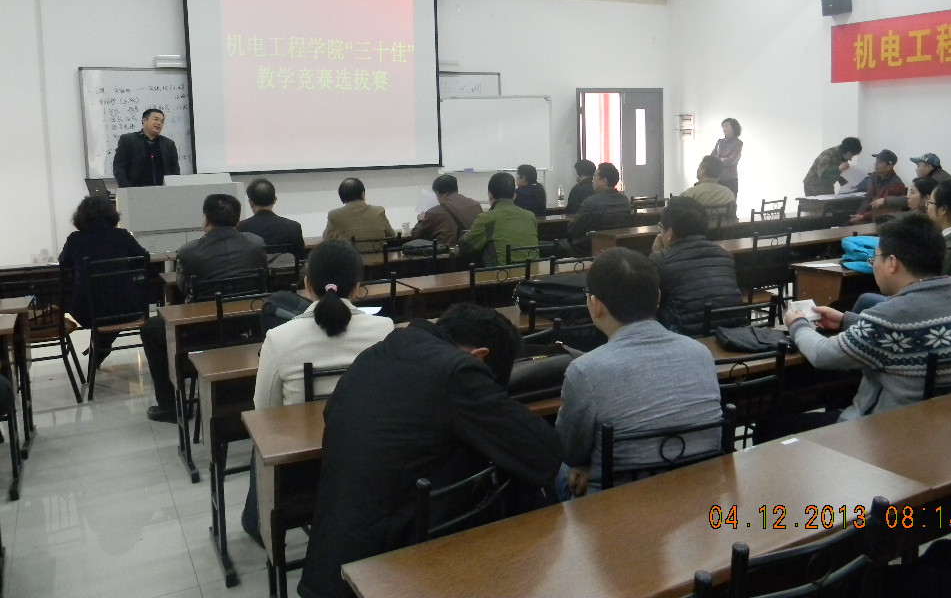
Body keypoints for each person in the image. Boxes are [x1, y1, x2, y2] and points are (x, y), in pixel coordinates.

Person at [297, 304, 562, 598]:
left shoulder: (375, 355)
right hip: (393, 568)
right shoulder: (458, 371)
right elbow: (545, 455)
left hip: (329, 560)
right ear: (480, 356)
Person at [773, 214, 951, 435]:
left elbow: (823, 355)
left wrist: (799, 324)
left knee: (771, 428)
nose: (874, 266)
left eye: (874, 259)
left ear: (892, 263)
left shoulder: (892, 314)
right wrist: (847, 321)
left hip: (891, 434)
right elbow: (913, 333)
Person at [242, 240, 394, 543]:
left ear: (307, 285)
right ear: (358, 287)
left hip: (304, 470)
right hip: (370, 457)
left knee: (260, 449)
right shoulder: (384, 328)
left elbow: (265, 412)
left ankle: (257, 524)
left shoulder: (279, 338)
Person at [555, 247, 722, 497]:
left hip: (616, 505)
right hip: (701, 493)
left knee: (547, 466)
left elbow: (568, 451)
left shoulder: (585, 371)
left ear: (595, 305)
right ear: (657, 297)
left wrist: (585, 467)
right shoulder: (700, 353)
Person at [140, 193, 267, 423]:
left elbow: (182, 288)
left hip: (205, 328)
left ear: (206, 219)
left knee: (151, 329)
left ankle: (169, 407)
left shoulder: (189, 252)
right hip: (248, 323)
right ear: (238, 219)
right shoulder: (256, 244)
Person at [58, 195, 149, 364]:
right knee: (114, 306)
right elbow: (143, 258)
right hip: (126, 307)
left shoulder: (75, 239)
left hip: (87, 311)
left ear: (81, 216)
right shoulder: (122, 236)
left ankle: (100, 347)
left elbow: (63, 263)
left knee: (100, 305)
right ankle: (101, 346)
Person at [649, 197, 742, 336]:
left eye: (661, 226)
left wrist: (657, 254)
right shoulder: (725, 256)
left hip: (687, 337)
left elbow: (649, 304)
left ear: (670, 232)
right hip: (731, 333)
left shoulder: (659, 260)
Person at [457, 172, 539, 266]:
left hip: (501, 273)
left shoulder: (487, 218)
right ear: (514, 195)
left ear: (490, 195)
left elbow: (465, 246)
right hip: (533, 272)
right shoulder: (530, 216)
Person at [563, 162, 632, 257]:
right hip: (616, 246)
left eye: (595, 177)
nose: (592, 180)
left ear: (604, 181)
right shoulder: (624, 200)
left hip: (588, 248)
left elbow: (573, 228)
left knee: (558, 245)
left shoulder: (591, 202)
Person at [237, 177, 305, 259]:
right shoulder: (294, 227)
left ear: (251, 202)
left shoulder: (241, 227)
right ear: (274, 200)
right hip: (286, 267)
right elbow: (301, 258)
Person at [112, 107, 180, 187]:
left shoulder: (168, 144)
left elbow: (175, 170)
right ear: (144, 120)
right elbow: (119, 167)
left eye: (162, 121)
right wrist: (127, 188)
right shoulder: (128, 140)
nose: (159, 123)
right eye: (156, 119)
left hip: (163, 191)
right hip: (135, 190)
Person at [323, 177, 396, 251]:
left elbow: (327, 240)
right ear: (363, 193)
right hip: (379, 257)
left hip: (351, 258)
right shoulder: (378, 211)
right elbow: (392, 235)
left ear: (341, 196)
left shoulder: (335, 216)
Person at [410, 173, 483, 247]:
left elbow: (416, 236)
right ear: (456, 189)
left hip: (449, 253)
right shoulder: (475, 205)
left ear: (437, 193)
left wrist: (420, 221)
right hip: (475, 252)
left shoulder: (434, 213)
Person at [850, 149, 907, 224]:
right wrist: (859, 213)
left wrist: (863, 216)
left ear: (889, 166)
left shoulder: (896, 185)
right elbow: (868, 197)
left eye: (879, 162)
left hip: (881, 221)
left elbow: (885, 211)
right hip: (868, 216)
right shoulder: (875, 176)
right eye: (876, 161)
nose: (875, 164)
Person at [679, 154, 737, 220]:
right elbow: (733, 218)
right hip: (722, 227)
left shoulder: (691, 193)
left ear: (702, 171)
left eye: (699, 167)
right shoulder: (729, 194)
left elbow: (677, 216)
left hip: (698, 226)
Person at [711, 117, 743, 196]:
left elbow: (731, 160)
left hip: (730, 179)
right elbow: (711, 158)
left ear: (733, 127)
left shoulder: (738, 143)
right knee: (716, 201)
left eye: (726, 126)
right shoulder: (719, 142)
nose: (724, 128)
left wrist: (717, 159)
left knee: (730, 201)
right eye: (723, 126)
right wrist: (718, 159)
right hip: (717, 178)